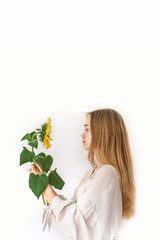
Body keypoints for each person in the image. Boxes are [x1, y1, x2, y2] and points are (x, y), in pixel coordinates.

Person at [28, 108, 136, 240]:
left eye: (87, 129)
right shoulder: (93, 173)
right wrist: (46, 187)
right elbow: (75, 215)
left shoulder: (107, 173)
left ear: (102, 133)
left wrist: (46, 189)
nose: (82, 134)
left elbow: (77, 221)